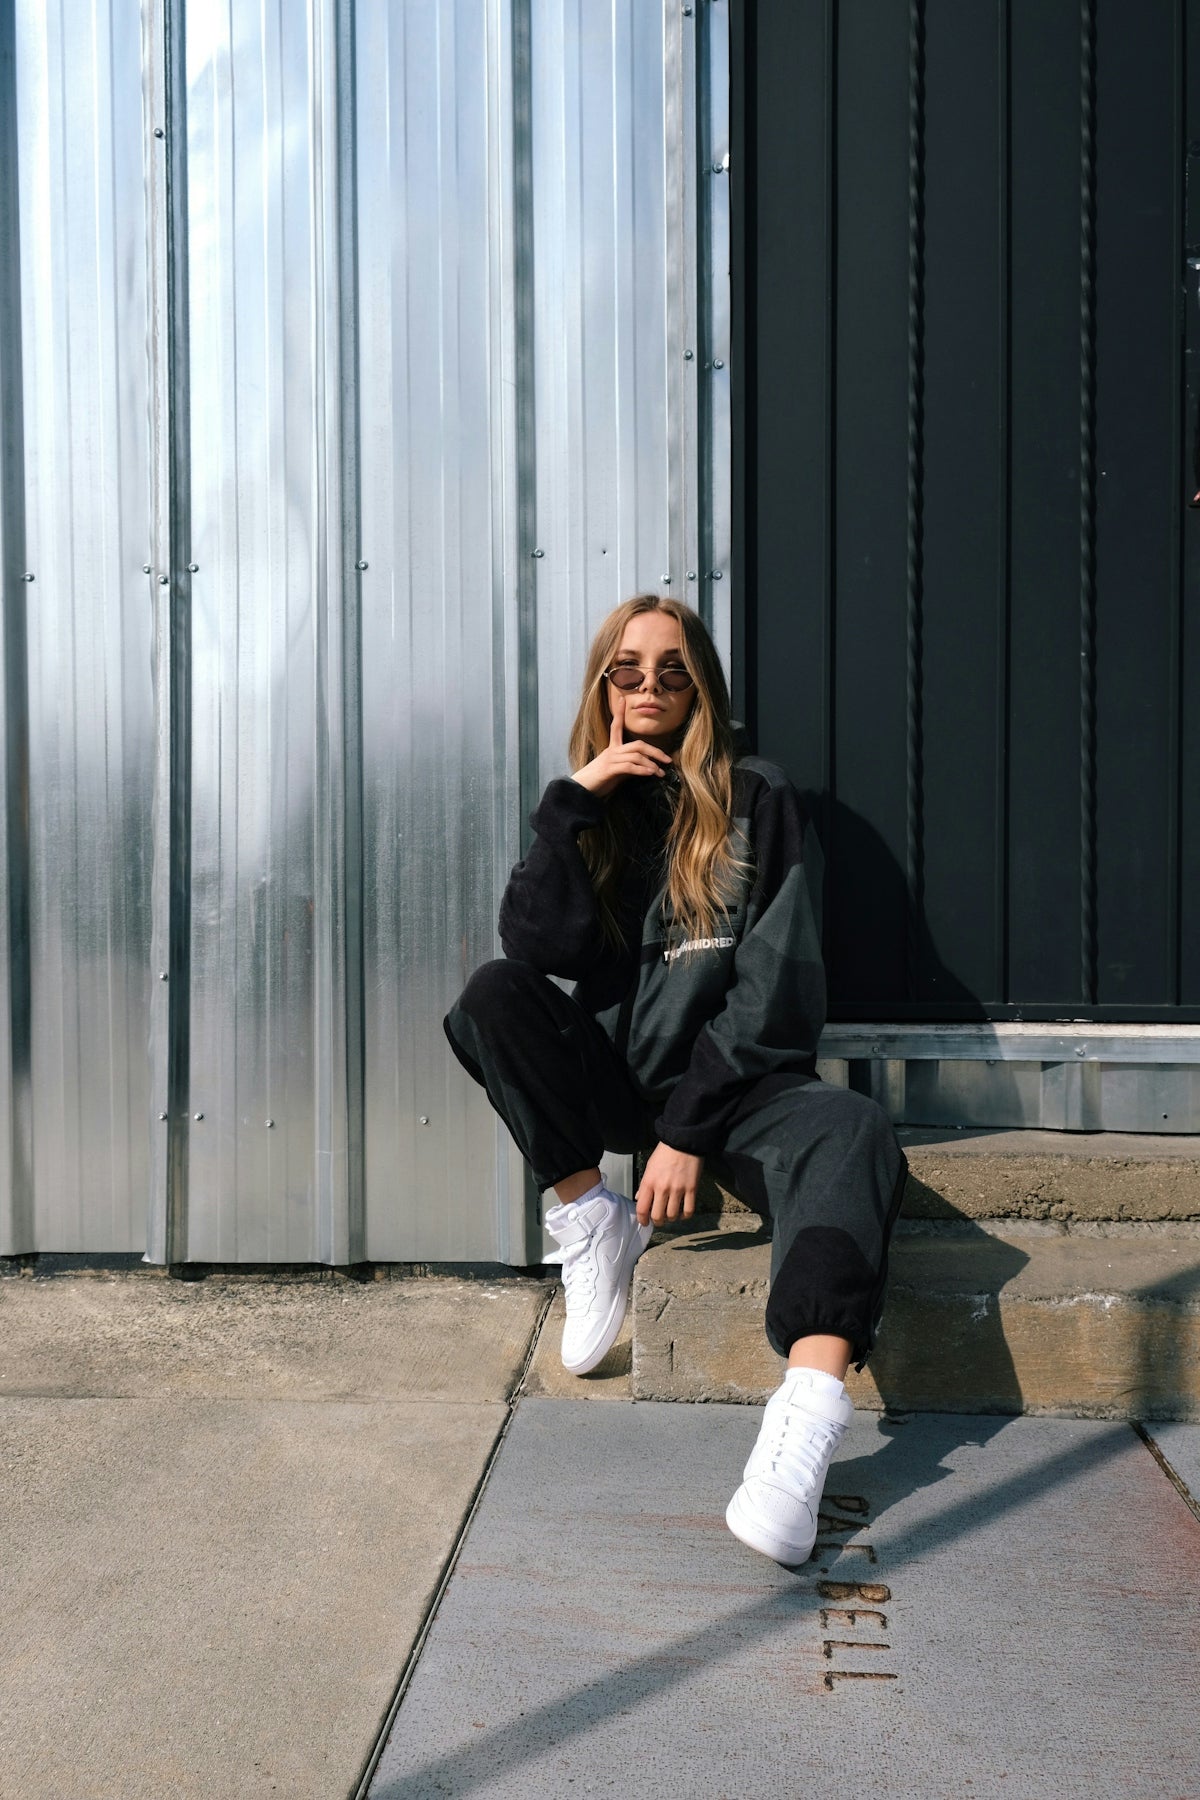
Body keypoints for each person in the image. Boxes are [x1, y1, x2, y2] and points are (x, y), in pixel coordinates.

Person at [444, 595, 908, 1568]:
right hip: (622, 1090)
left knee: (857, 1130)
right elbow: (537, 949)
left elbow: (777, 985)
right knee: (492, 995)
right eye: (627, 668)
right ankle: (591, 1217)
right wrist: (573, 804)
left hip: (739, 1096)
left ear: (702, 687)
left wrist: (690, 1131)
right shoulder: (594, 810)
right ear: (604, 686)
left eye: (671, 669)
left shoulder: (755, 799)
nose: (648, 685)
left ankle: (805, 1423)